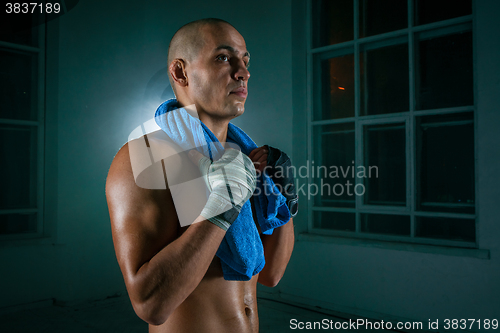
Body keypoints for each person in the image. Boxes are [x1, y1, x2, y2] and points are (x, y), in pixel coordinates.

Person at [106, 18, 296, 333]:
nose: (243, 72)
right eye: (223, 58)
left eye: (245, 60)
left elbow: (271, 274)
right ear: (180, 72)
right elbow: (150, 305)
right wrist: (222, 206)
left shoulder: (245, 159)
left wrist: (286, 198)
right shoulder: (148, 156)